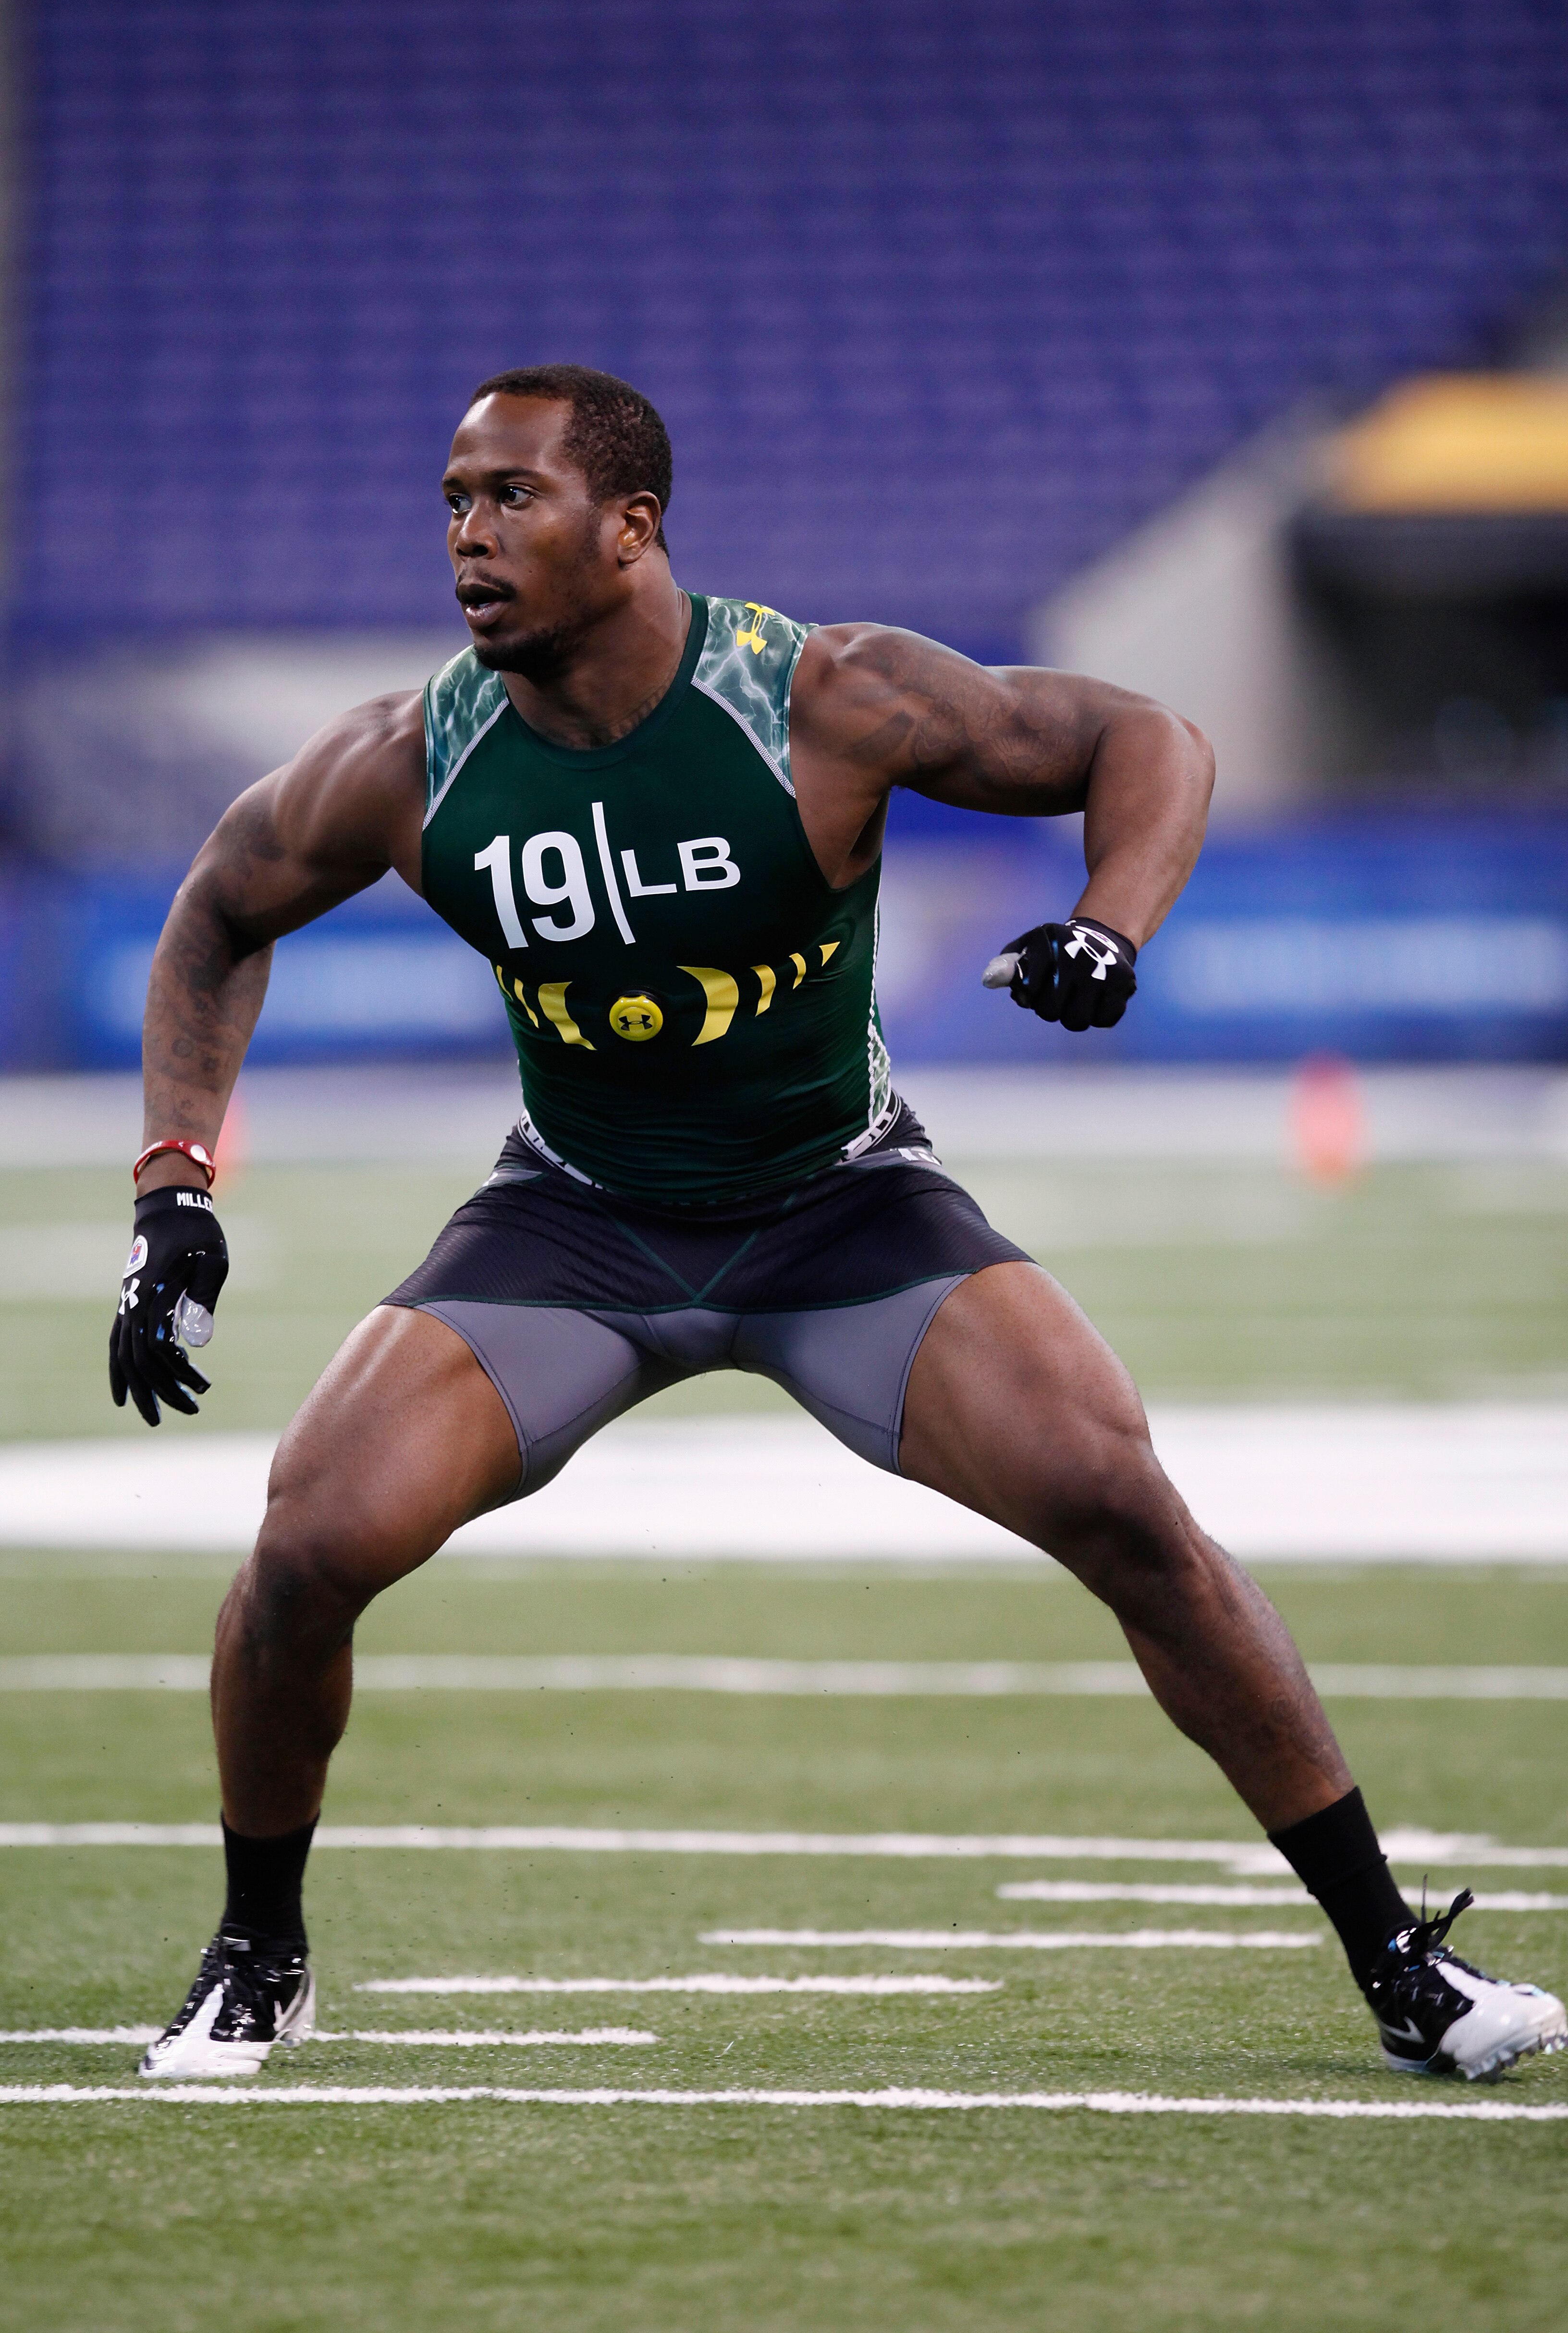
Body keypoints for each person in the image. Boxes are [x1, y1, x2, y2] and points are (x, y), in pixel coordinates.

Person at [115, 364, 1564, 2085]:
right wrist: (174, 1194)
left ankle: (1399, 1962)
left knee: (1124, 1500)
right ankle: (258, 1952)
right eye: (453, 501)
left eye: (511, 498)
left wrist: (1111, 925)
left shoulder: (820, 695)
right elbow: (216, 911)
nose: (468, 537)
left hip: (839, 1205)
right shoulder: (411, 759)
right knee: (306, 1542)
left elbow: (1144, 739)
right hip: (577, 1218)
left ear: (633, 528)